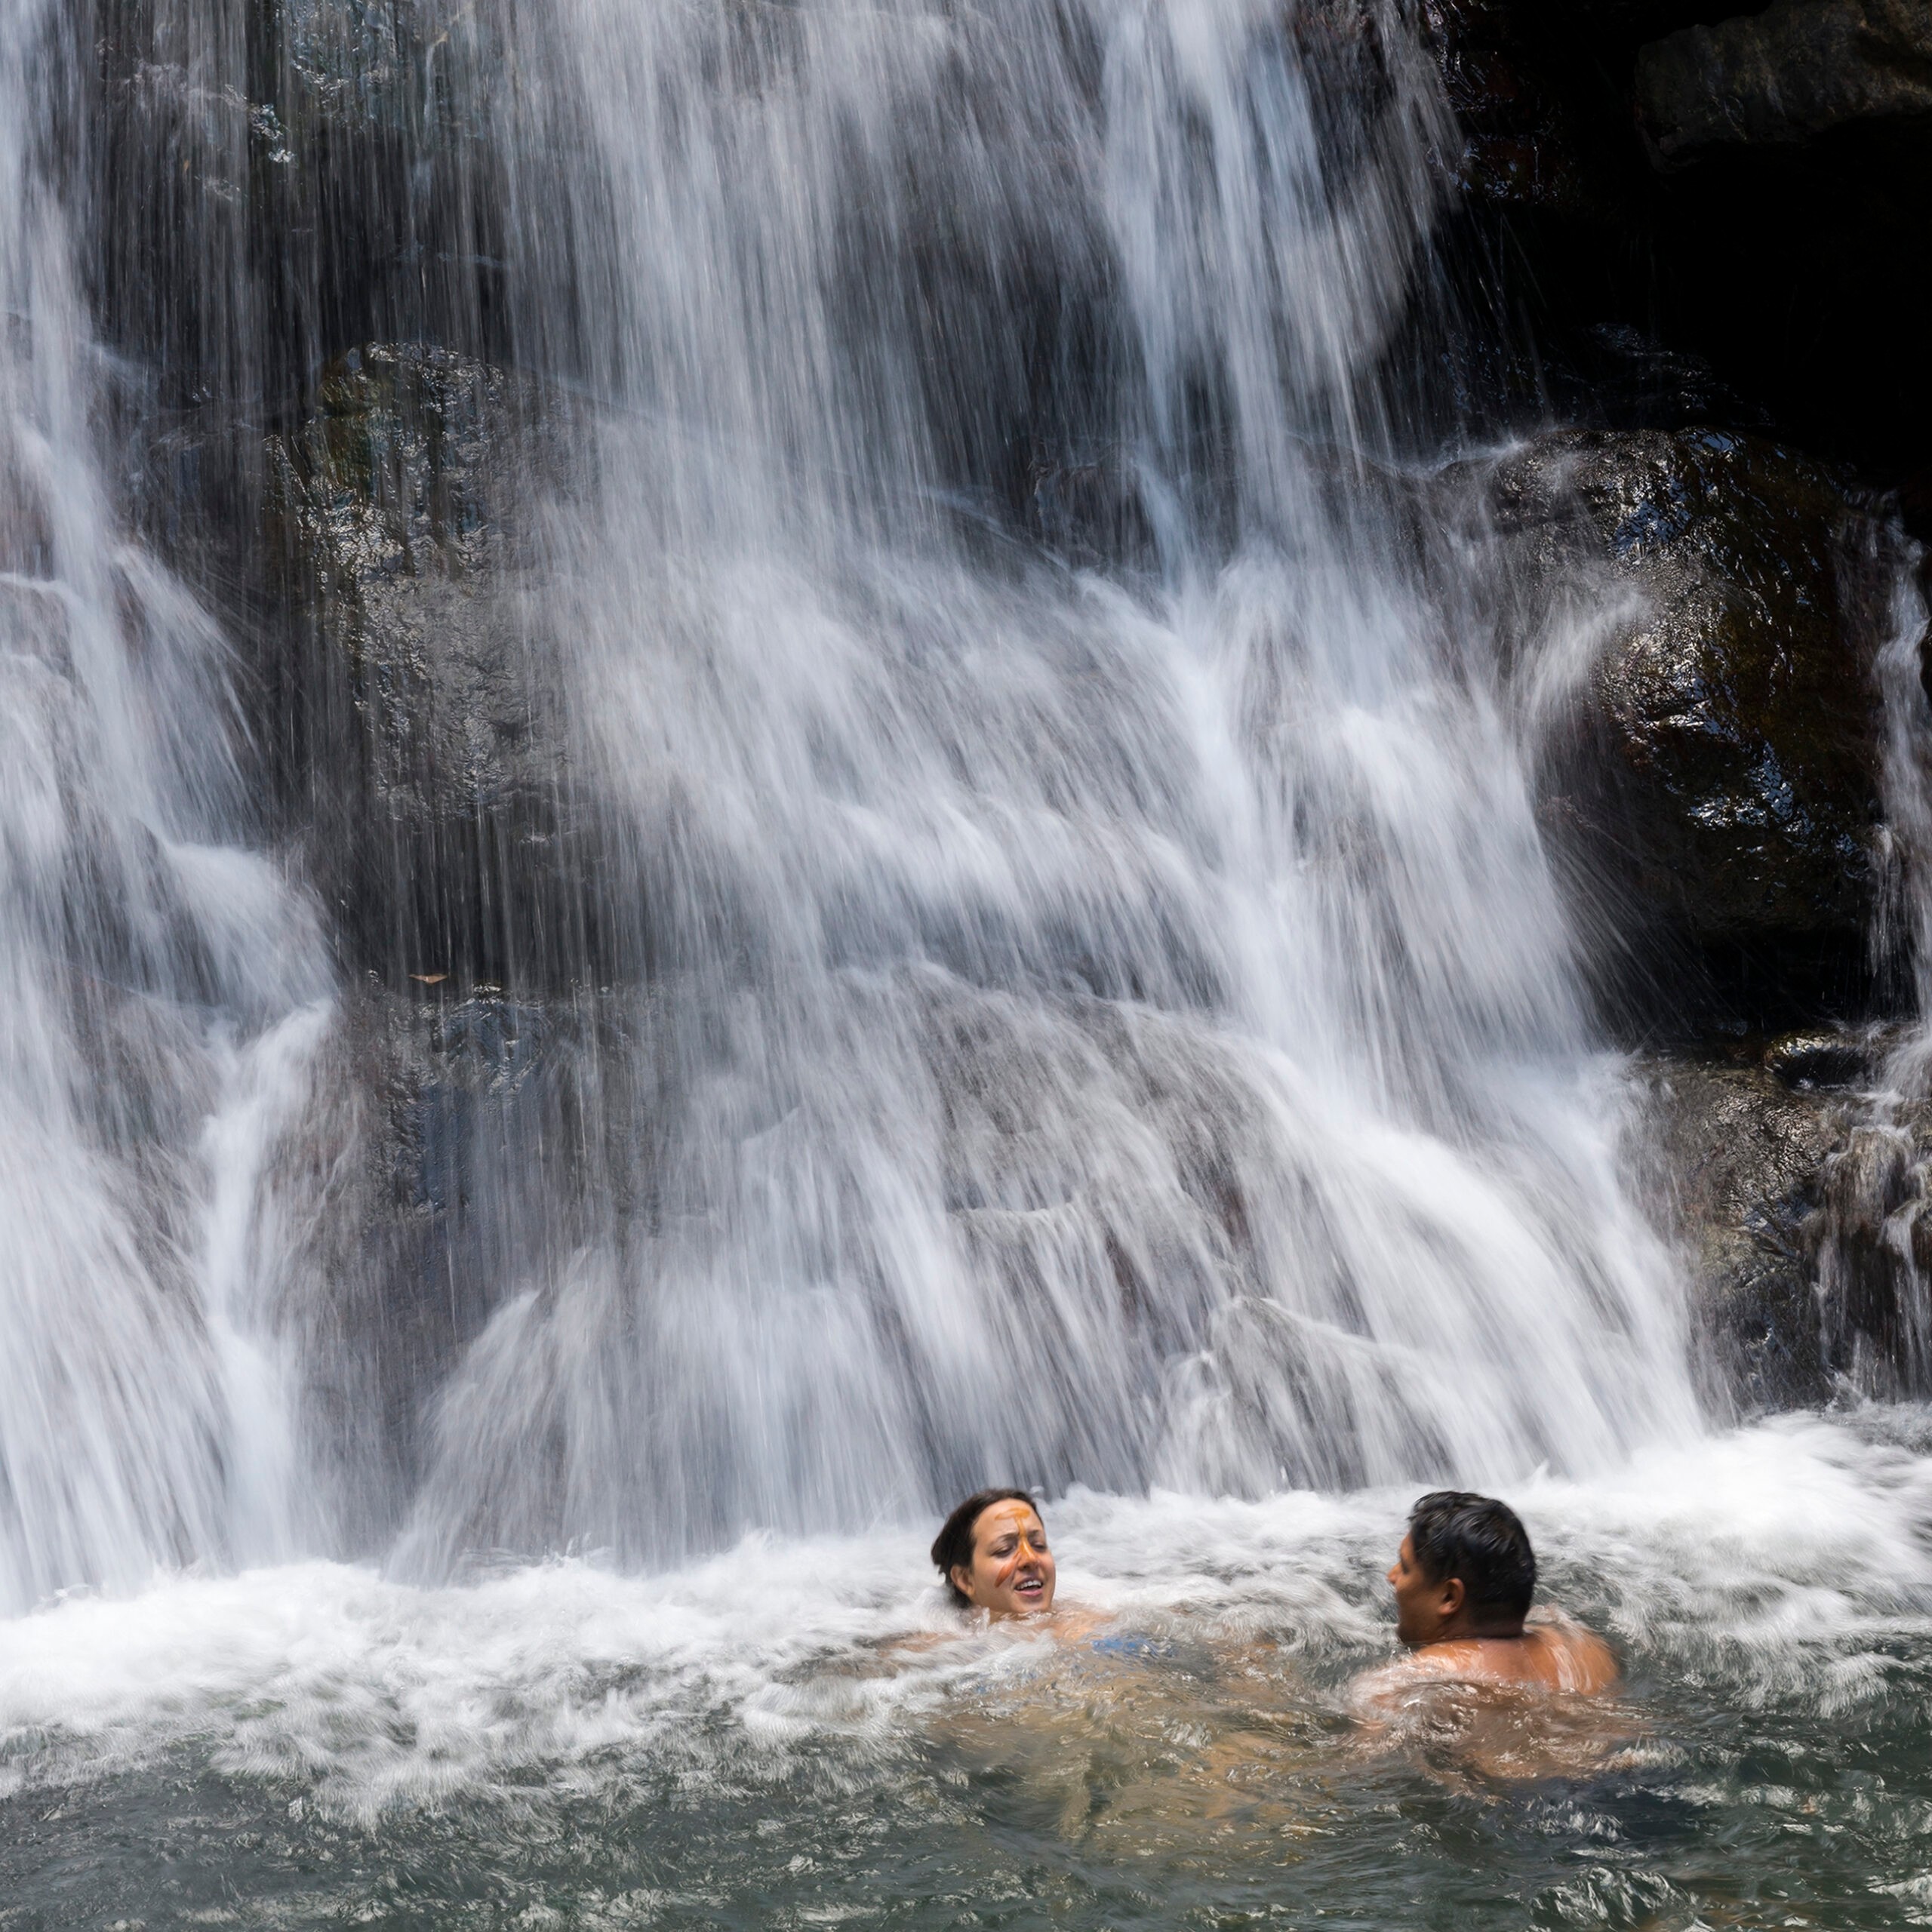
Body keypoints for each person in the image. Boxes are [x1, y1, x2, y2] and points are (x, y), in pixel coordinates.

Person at [1362, 1489, 1617, 1697]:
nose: (1391, 1577)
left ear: (1449, 1597)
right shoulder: (1584, 1645)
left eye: (1404, 1567)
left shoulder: (1416, 1679)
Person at [931, 1487, 1058, 1618]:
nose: (1031, 1559)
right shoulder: (937, 1637)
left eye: (1039, 1545)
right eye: (1004, 1550)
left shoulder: (1078, 1624)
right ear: (965, 1580)